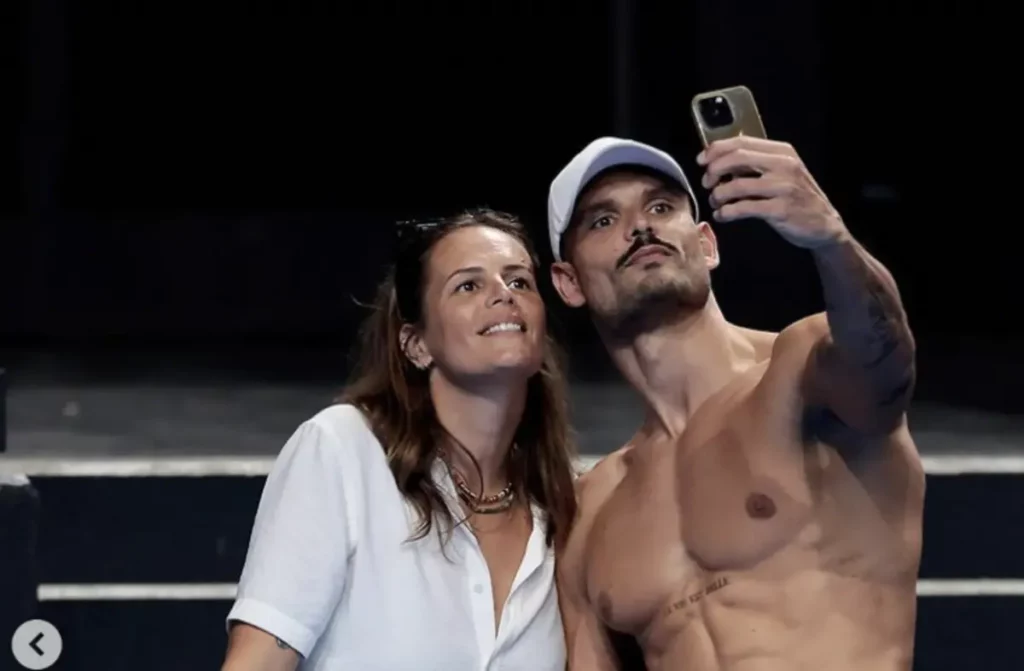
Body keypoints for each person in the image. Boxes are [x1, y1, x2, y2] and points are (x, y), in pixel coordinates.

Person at [546, 136, 924, 670]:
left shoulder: (803, 375)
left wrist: (831, 240)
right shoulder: (592, 510)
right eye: (603, 221)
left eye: (660, 207)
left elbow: (885, 364)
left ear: (707, 245)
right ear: (568, 283)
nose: (640, 227)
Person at [221, 209, 578, 671]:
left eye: (519, 282)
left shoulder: (563, 501)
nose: (503, 296)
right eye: (469, 285)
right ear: (417, 344)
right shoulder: (342, 450)